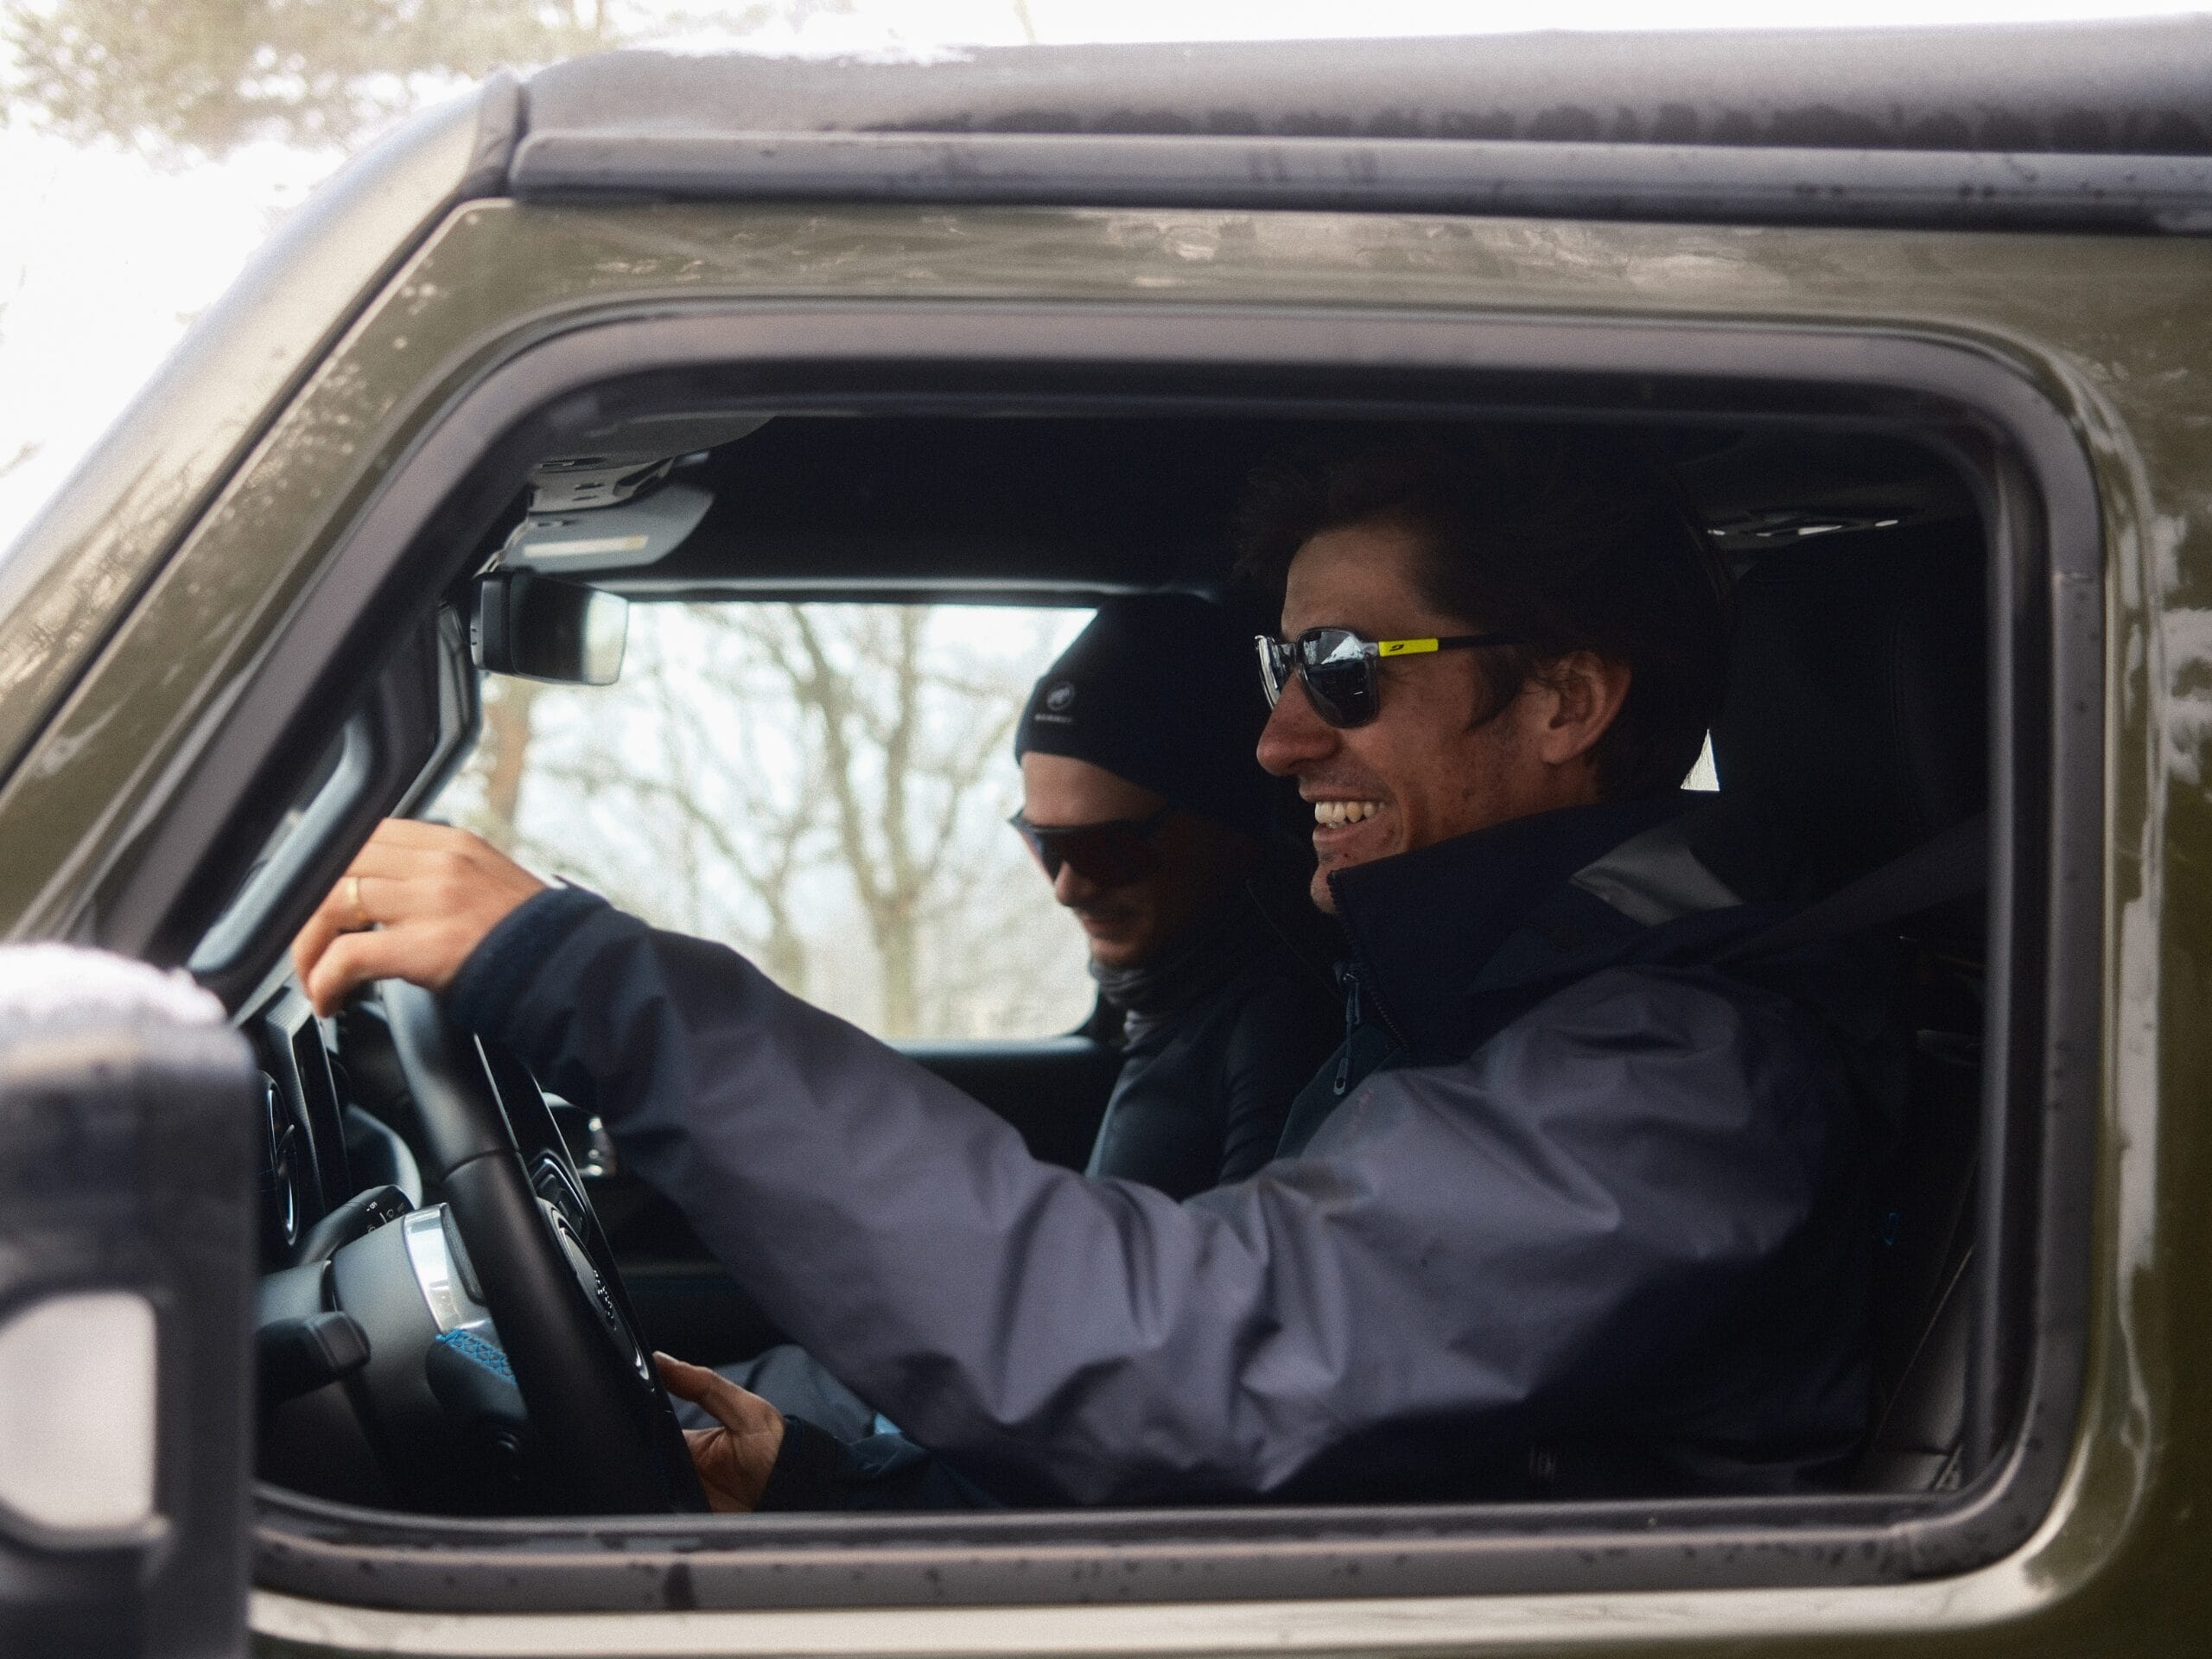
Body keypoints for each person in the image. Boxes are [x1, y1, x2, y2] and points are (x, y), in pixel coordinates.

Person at [294, 426, 1897, 1510]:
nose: (1274, 737)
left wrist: (582, 977)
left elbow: (1197, 1360)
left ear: (1567, 700)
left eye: (1340, 670)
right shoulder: (1460, 1012)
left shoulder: (1687, 1077)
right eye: (1283, 665)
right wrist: (834, 1478)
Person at [1014, 594, 1338, 1198]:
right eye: (1044, 845)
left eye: (1105, 849)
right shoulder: (1180, 1007)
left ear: (1231, 827)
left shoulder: (1283, 1030)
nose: (1067, 888)